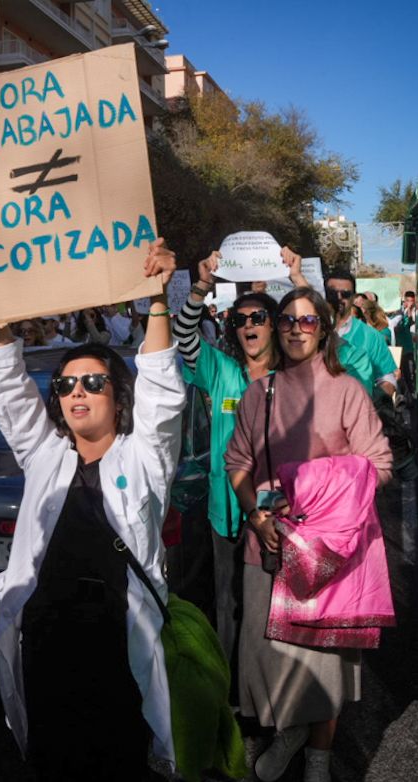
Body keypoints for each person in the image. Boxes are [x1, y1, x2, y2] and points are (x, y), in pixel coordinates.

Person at [0, 234, 183, 782]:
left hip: (116, 645)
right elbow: (6, 384)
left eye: (93, 382)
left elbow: (162, 389)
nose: (76, 392)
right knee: (53, 768)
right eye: (64, 385)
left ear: (117, 394)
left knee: (116, 770)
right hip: (48, 641)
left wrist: (157, 298)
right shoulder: (44, 454)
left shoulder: (144, 457)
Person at [225, 286, 393, 782]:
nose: (296, 330)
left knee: (324, 666)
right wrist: (254, 514)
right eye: (287, 321)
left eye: (308, 321)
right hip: (269, 549)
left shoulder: (346, 390)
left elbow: (379, 464)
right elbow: (238, 463)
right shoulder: (260, 394)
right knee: (274, 661)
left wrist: (314, 490)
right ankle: (289, 733)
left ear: (324, 328)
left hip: (328, 559)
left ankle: (318, 763)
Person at [172, 245, 308, 675]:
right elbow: (185, 337)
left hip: (280, 513)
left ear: (275, 326)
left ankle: (272, 692)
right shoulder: (220, 369)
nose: (248, 325)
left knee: (273, 602)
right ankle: (232, 693)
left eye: (258, 318)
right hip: (225, 511)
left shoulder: (294, 372)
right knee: (227, 601)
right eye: (239, 319)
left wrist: (298, 280)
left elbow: (326, 337)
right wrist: (202, 287)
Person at [323, 269, 398, 399]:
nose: (339, 298)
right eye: (332, 293)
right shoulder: (313, 332)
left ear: (353, 298)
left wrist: (370, 407)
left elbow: (387, 379)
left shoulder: (372, 336)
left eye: (345, 294)